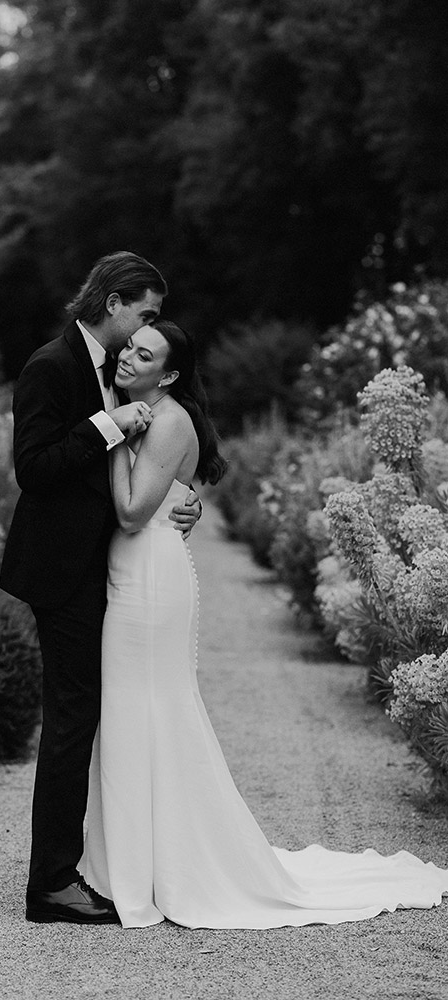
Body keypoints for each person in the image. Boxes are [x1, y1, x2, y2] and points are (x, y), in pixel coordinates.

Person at [80, 318, 448, 929]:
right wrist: (119, 421)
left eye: (144, 356)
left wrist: (115, 437)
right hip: (135, 575)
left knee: (147, 708)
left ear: (168, 373)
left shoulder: (166, 421)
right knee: (130, 711)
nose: (127, 359)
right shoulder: (142, 410)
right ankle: (129, 862)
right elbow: (164, 499)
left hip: (148, 580)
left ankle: (161, 866)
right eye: (128, 349)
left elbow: (130, 511)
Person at [0, 253, 202, 924]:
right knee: (71, 720)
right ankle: (51, 884)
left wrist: (182, 499)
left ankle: (79, 867)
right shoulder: (52, 367)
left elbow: (158, 461)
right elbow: (33, 468)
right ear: (113, 302)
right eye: (144, 313)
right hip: (59, 571)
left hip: (101, 567)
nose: (150, 326)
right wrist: (108, 425)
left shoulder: (112, 370)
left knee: (84, 716)